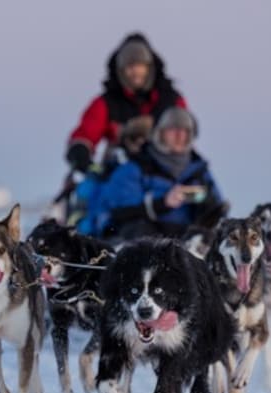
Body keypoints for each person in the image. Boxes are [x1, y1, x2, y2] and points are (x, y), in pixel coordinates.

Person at [89, 107, 228, 240]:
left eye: (185, 131)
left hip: (186, 241)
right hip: (141, 238)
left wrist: (207, 203)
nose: (180, 135)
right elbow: (118, 209)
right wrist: (162, 203)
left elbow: (218, 206)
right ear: (160, 133)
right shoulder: (136, 166)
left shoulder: (199, 170)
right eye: (173, 129)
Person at [65, 33, 187, 173]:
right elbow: (85, 134)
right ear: (119, 70)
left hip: (166, 172)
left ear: (150, 67)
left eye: (140, 66)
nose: (135, 72)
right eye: (129, 66)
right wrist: (80, 152)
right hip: (120, 173)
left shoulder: (171, 101)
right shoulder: (106, 103)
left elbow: (184, 137)